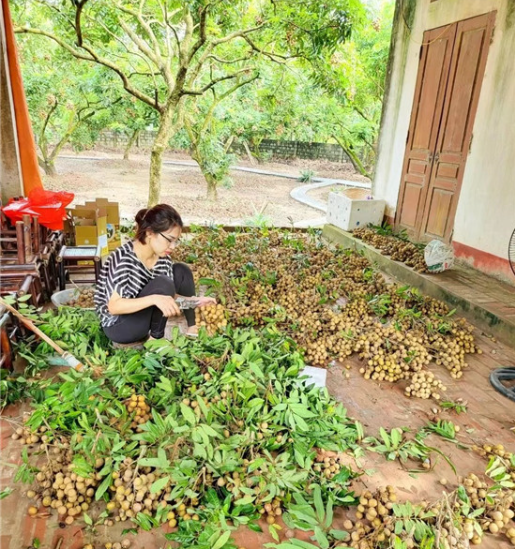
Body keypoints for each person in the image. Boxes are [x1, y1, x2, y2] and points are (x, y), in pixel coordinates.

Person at [94, 204, 215, 344]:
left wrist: (193, 302)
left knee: (181, 270)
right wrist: (154, 299)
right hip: (120, 326)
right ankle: (156, 340)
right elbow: (114, 307)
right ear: (150, 232)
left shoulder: (163, 258)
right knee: (163, 283)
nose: (173, 246)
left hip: (142, 317)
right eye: (169, 240)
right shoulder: (124, 258)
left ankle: (189, 328)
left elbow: (168, 298)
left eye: (176, 241)